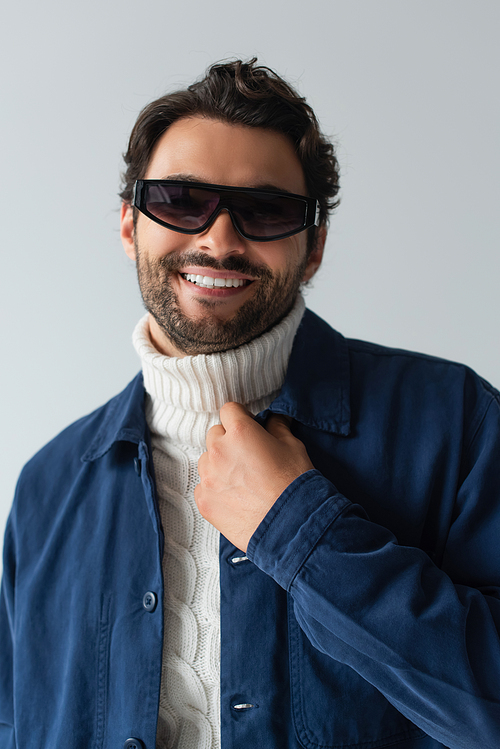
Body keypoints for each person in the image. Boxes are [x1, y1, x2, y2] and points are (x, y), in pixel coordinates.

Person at [1, 58, 499, 749]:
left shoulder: (457, 426)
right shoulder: (48, 489)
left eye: (265, 210)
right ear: (128, 224)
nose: (220, 238)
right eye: (180, 200)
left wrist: (298, 526)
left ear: (315, 246)